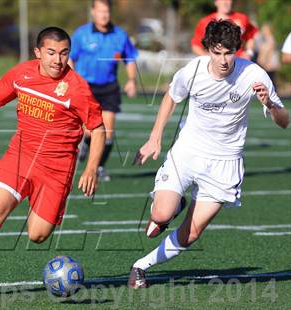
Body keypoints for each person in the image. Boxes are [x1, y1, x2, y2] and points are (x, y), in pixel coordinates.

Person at [0, 27, 105, 298]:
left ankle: (36, 201)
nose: (57, 60)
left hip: (57, 168)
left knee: (37, 235)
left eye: (63, 54)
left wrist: (91, 168)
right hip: (21, 156)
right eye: (51, 53)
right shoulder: (22, 74)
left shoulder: (77, 88)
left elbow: (97, 129)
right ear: (38, 52)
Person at [129, 20, 289, 289]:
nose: (223, 60)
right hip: (188, 151)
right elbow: (171, 96)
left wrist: (271, 104)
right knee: (160, 214)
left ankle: (140, 266)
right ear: (208, 50)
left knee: (191, 233)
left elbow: (284, 122)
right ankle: (170, 207)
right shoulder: (193, 71)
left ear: (237, 50)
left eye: (229, 52)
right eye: (217, 52)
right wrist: (154, 137)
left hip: (226, 163)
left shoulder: (254, 75)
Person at [69, 0, 138, 181]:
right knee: (90, 130)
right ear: (93, 12)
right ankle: (85, 143)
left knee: (108, 132)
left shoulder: (120, 35)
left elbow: (129, 59)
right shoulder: (81, 34)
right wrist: (70, 81)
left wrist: (131, 80)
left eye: (106, 11)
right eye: (100, 11)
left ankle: (98, 166)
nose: (104, 15)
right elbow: (71, 58)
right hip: (85, 87)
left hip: (109, 87)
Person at [191, 0, 258, 60]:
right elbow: (196, 46)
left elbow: (251, 37)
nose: (225, 2)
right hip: (216, 66)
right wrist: (210, 58)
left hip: (239, 62)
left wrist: (249, 52)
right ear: (216, 2)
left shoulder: (242, 18)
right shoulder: (205, 22)